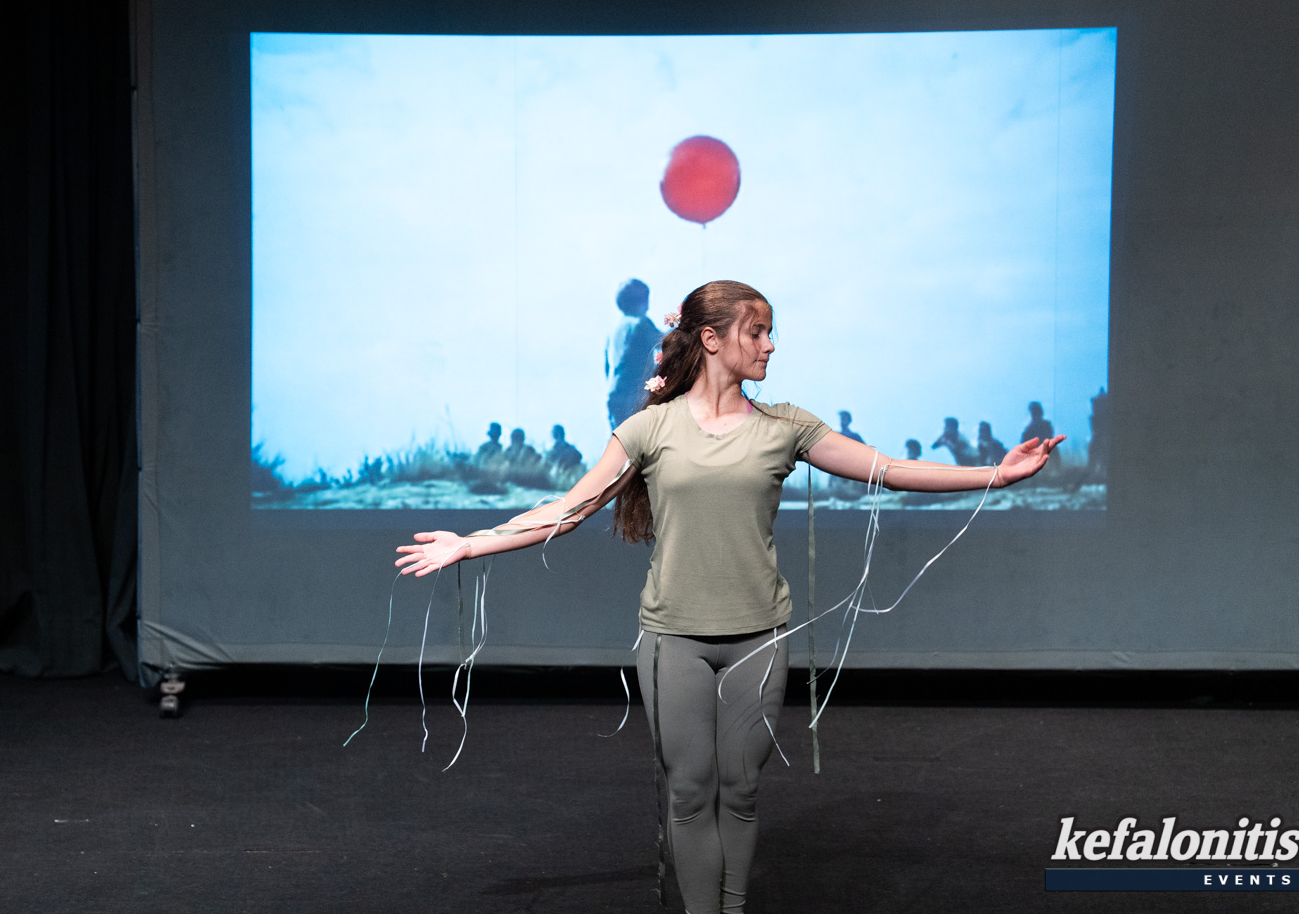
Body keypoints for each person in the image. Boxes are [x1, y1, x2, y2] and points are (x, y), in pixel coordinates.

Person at [395, 281, 1062, 914]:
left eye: (771, 332)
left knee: (739, 792)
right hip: (673, 640)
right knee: (689, 793)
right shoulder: (648, 429)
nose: (770, 345)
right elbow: (569, 510)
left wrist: (999, 475)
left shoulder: (785, 427)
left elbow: (889, 469)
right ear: (711, 340)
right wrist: (470, 544)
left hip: (758, 639)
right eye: (757, 331)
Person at [605, 278, 664, 430]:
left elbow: (607, 368)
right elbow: (665, 342)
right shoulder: (640, 324)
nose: (648, 305)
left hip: (615, 394)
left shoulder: (615, 331)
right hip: (633, 396)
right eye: (645, 299)